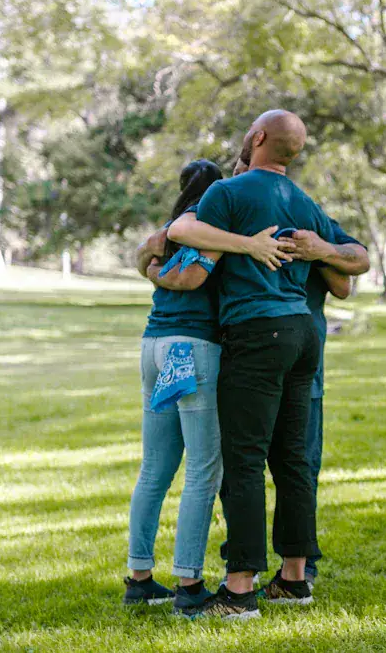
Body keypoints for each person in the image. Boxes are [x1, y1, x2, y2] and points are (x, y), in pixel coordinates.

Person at [167, 110, 370, 620]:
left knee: (244, 461)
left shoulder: (229, 193)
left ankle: (238, 591)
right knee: (293, 459)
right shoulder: (302, 201)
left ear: (256, 137)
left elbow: (183, 230)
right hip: (304, 336)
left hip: (258, 334)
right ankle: (294, 580)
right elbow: (358, 258)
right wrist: (320, 247)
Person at [124, 160, 288, 614]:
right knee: (202, 469)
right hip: (192, 348)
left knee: (154, 468)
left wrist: (149, 269)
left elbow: (147, 257)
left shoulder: (168, 228)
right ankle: (189, 584)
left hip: (153, 345)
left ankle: (139, 579)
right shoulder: (207, 221)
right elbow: (194, 275)